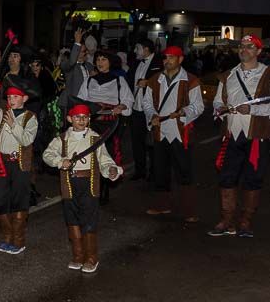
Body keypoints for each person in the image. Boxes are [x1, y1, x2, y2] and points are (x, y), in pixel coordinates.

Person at [209, 35, 270, 238]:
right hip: (232, 134)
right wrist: (220, 109)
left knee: (253, 179)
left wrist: (254, 110)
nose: (244, 50)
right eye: (242, 47)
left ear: (259, 51)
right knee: (227, 178)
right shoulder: (227, 75)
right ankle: (227, 220)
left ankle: (245, 221)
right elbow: (217, 102)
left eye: (250, 46)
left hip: (257, 136)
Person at [41, 104, 122, 272]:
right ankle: (77, 256)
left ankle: (91, 257)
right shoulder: (61, 139)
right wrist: (59, 161)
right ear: (70, 119)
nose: (81, 120)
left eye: (85, 117)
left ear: (89, 119)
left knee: (89, 221)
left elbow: (105, 160)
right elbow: (47, 155)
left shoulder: (95, 139)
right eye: (77, 117)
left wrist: (112, 170)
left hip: (89, 185)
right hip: (69, 185)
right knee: (72, 220)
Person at [141, 46, 204, 222]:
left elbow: (198, 106)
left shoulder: (191, 80)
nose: (167, 61)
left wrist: (183, 112)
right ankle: (162, 205)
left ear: (180, 60)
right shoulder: (155, 79)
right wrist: (152, 114)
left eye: (171, 57)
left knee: (185, 171)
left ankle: (189, 210)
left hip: (180, 131)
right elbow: (146, 102)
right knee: (160, 170)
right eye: (165, 57)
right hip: (161, 131)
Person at [0, 76, 40, 254]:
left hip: (19, 164)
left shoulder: (30, 118)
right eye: (10, 97)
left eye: (16, 97)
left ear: (24, 99)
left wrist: (14, 125)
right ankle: (7, 236)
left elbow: (27, 139)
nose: (12, 100)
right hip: (2, 163)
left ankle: (18, 240)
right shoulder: (3, 114)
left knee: (19, 200)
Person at [75, 51, 133, 205]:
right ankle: (93, 188)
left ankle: (105, 188)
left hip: (111, 123)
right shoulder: (89, 80)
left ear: (110, 62)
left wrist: (121, 106)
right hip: (92, 122)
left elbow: (128, 99)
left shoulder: (119, 80)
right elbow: (80, 101)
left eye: (104, 59)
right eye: (98, 59)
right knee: (90, 155)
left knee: (108, 153)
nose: (100, 62)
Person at [127, 39, 160, 181]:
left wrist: (149, 83)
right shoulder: (135, 63)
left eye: (137, 48)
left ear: (146, 49)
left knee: (153, 142)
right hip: (136, 109)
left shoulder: (159, 63)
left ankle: (154, 172)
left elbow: (165, 81)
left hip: (151, 110)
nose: (135, 51)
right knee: (136, 141)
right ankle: (140, 171)